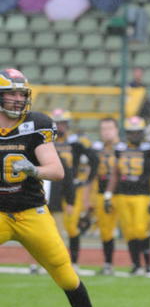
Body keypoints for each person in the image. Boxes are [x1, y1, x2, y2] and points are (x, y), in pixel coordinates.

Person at [0, 69, 111, 307]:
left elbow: (57, 170)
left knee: (65, 274)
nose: (17, 99)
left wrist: (33, 170)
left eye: (21, 93)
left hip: (31, 212)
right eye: (11, 93)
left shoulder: (35, 124)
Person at [104, 116, 150, 276]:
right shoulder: (120, 149)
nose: (134, 135)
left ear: (142, 133)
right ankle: (136, 265)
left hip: (142, 195)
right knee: (129, 231)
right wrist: (108, 194)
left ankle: (148, 265)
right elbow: (115, 173)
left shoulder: (149, 150)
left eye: (137, 132)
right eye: (131, 132)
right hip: (123, 195)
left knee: (140, 230)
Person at [50, 109, 98, 267]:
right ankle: (49, 261)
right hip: (52, 189)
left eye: (62, 123)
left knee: (71, 227)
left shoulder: (76, 142)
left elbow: (94, 159)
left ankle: (74, 262)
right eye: (57, 123)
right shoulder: (46, 141)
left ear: (68, 124)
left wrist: (87, 180)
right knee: (49, 226)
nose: (60, 126)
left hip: (72, 189)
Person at [92, 117, 120, 275]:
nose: (106, 132)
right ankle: (108, 263)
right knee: (105, 230)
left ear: (116, 130)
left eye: (110, 128)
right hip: (102, 193)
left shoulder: (125, 147)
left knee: (134, 230)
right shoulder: (96, 149)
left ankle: (142, 265)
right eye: (103, 129)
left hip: (123, 193)